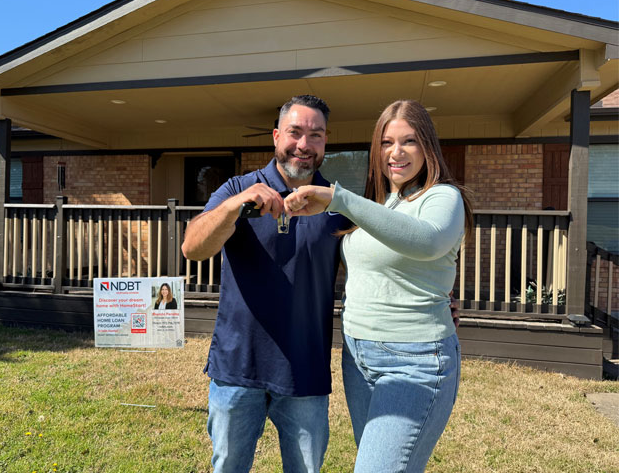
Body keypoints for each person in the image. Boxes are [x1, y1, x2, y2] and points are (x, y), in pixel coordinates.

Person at [284, 99, 473, 472]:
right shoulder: (383, 203)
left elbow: (426, 241)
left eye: (409, 142)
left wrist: (338, 198)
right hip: (358, 357)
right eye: (387, 143)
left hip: (414, 361)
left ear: (428, 147)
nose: (396, 153)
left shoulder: (443, 197)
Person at [181, 95, 349, 472]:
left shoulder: (336, 203)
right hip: (239, 367)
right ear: (276, 136)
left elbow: (374, 266)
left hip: (305, 371)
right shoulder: (239, 188)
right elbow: (192, 247)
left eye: (316, 135)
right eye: (295, 132)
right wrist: (235, 206)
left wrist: (437, 302)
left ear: (325, 143)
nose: (304, 145)